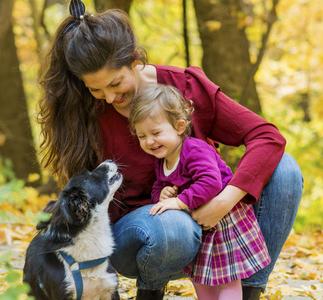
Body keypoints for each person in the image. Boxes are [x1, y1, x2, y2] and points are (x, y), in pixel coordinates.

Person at [37, 0, 303, 299]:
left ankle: (249, 290)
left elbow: (267, 136)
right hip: (140, 236)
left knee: (286, 169)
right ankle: (151, 290)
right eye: (96, 89)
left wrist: (226, 200)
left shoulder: (183, 87)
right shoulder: (83, 111)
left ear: (135, 62)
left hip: (213, 223)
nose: (109, 98)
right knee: (173, 225)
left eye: (115, 83)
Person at [129, 84, 271, 299]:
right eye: (142, 136)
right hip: (199, 224)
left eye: (156, 133)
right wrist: (162, 194)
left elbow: (210, 182)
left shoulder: (194, 150)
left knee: (228, 277)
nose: (149, 141)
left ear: (179, 126)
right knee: (200, 277)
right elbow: (159, 184)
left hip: (224, 221)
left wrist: (178, 202)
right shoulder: (162, 161)